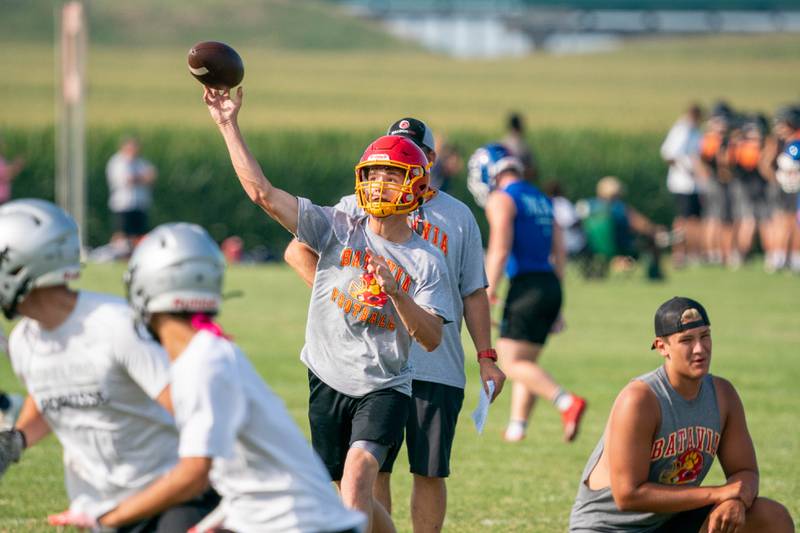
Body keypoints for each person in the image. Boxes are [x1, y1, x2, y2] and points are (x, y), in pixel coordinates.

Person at [204, 87, 454, 533]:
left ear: (415, 183)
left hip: (383, 386)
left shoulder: (426, 260)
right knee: (342, 495)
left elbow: (432, 337)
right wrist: (228, 124)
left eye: (392, 175)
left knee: (359, 479)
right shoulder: (339, 224)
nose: (379, 183)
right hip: (325, 374)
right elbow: (263, 194)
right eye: (374, 174)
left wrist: (397, 293)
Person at [284, 117, 506, 533]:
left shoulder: (458, 216)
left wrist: (486, 357)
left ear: (430, 160)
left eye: (409, 150)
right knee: (372, 471)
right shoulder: (357, 205)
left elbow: (473, 291)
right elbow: (297, 251)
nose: (393, 166)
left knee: (430, 468)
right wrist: (344, 297)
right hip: (375, 364)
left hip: (436, 359)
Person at [98, 223, 366, 533]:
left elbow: (194, 474)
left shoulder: (203, 362)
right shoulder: (208, 354)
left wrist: (110, 519)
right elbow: (248, 473)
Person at [0, 199, 218, 531]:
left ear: (28, 264)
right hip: (105, 509)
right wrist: (17, 440)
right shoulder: (23, 342)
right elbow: (48, 395)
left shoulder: (115, 326)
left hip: (174, 498)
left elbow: (192, 410)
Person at [569, 296, 795, 533]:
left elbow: (745, 472)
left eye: (705, 336)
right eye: (687, 340)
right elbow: (628, 495)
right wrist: (718, 493)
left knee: (772, 517)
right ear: (662, 347)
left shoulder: (723, 395)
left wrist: (736, 500)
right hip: (609, 527)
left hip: (669, 522)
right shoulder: (639, 399)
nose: (700, 349)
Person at [468, 143, 586, 443]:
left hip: (526, 286)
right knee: (525, 360)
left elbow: (499, 249)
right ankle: (517, 427)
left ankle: (566, 402)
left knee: (510, 363)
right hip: (550, 283)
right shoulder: (542, 198)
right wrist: (558, 300)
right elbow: (559, 250)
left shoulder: (502, 199)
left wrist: (489, 292)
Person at [577, 176, 668, 280]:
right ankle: (654, 274)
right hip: (621, 247)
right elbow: (642, 226)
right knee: (653, 240)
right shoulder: (620, 208)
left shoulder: (587, 206)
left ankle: (597, 270)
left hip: (592, 247)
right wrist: (655, 230)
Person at [660, 104, 703, 268]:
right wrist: (686, 169)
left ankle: (689, 252)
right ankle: (680, 253)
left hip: (691, 184)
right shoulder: (682, 130)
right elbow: (668, 154)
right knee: (684, 220)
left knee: (691, 219)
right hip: (683, 184)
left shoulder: (691, 130)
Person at [106, 137, 157, 251]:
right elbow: (127, 179)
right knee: (121, 234)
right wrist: (142, 178)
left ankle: (133, 254)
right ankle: (116, 253)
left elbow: (152, 177)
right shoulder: (117, 162)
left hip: (140, 204)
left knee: (138, 235)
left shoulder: (141, 162)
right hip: (123, 204)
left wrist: (140, 179)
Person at [502, 112, 538, 182]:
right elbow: (533, 171)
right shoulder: (524, 147)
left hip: (503, 186)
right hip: (520, 185)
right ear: (521, 127)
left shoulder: (501, 144)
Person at [0, 135, 25, 206]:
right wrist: (15, 167)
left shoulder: (1, 158)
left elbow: (6, 176)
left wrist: (15, 168)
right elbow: (4, 176)